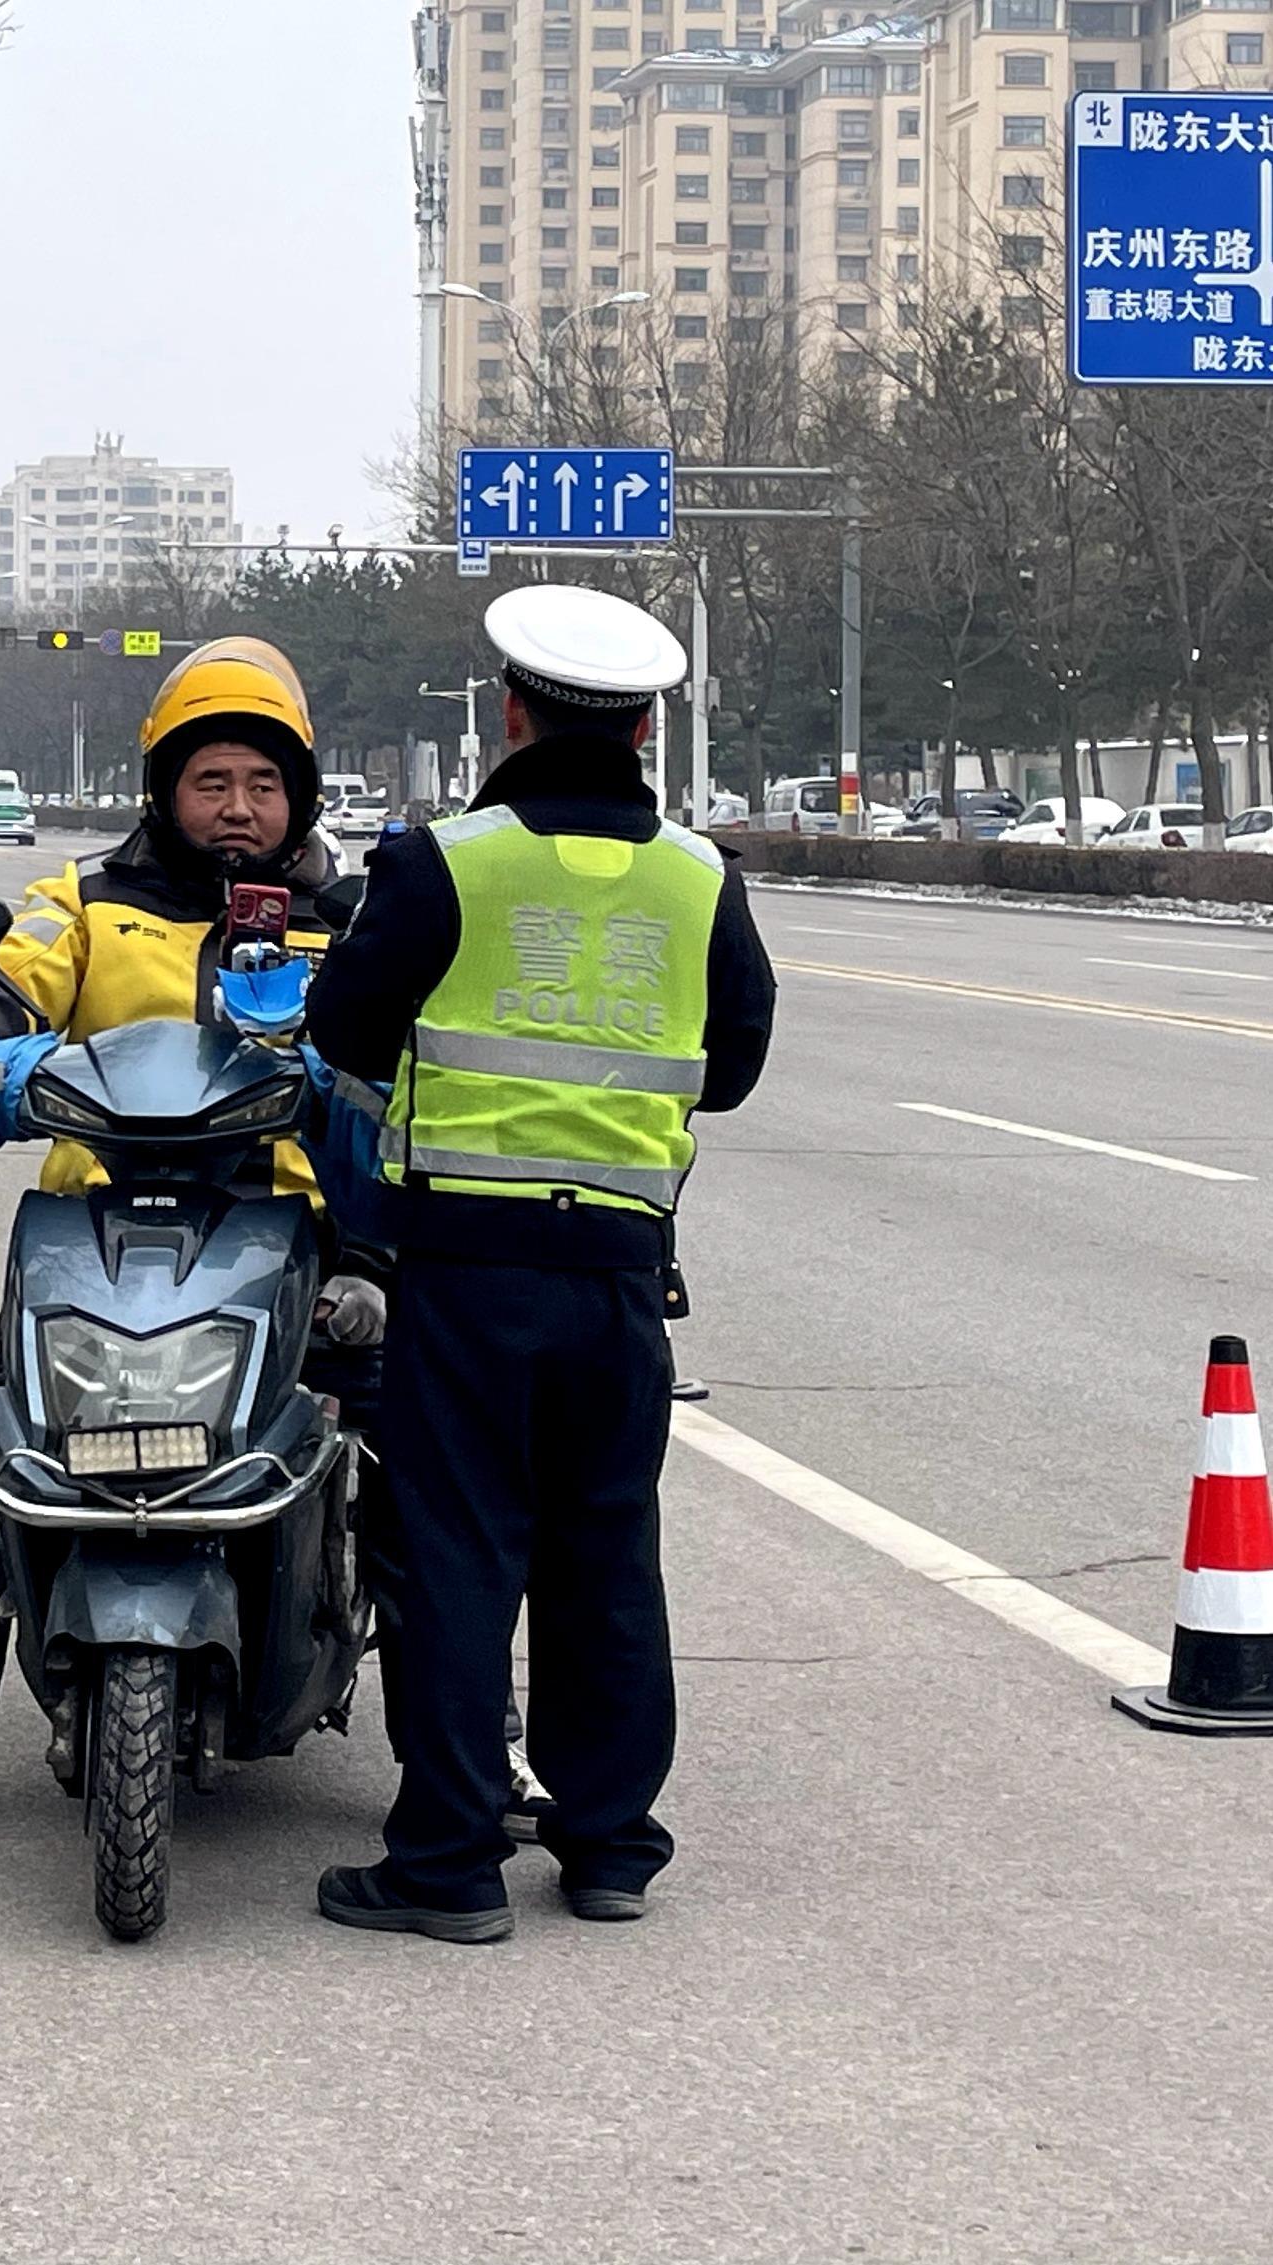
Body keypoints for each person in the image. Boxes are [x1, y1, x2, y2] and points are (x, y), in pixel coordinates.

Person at [0, 640, 388, 1835]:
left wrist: (337, 1085)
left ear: (299, 798)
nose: (237, 810)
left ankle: (479, 1749)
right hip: (102, 1237)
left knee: (403, 1469)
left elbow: (411, 1075)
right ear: (162, 788)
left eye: (263, 786)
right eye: (210, 782)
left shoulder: (358, 920)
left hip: (308, 1246)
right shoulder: (86, 904)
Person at [302, 584, 775, 1943]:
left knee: (456, 1552)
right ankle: (610, 1844)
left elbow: (343, 1021)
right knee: (605, 1550)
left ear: (512, 713)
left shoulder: (446, 863)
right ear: (642, 727)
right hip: (620, 1273)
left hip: (465, 1266)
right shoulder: (700, 878)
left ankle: (449, 1864)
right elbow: (730, 1068)